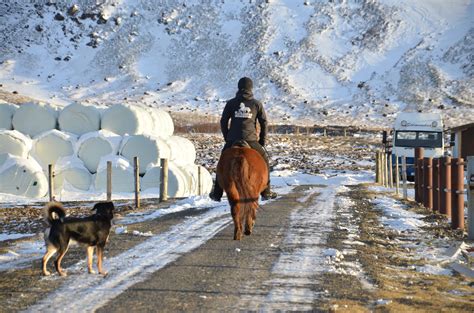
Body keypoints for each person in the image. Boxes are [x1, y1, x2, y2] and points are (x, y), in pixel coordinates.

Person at [209, 77, 277, 202]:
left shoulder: (231, 103)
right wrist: (262, 141)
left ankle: (217, 193)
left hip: (232, 140)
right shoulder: (257, 104)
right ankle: (266, 192)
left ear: (238, 87)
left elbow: (224, 121)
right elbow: (264, 123)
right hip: (251, 140)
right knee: (265, 160)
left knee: (222, 164)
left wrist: (227, 138)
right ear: (251, 88)